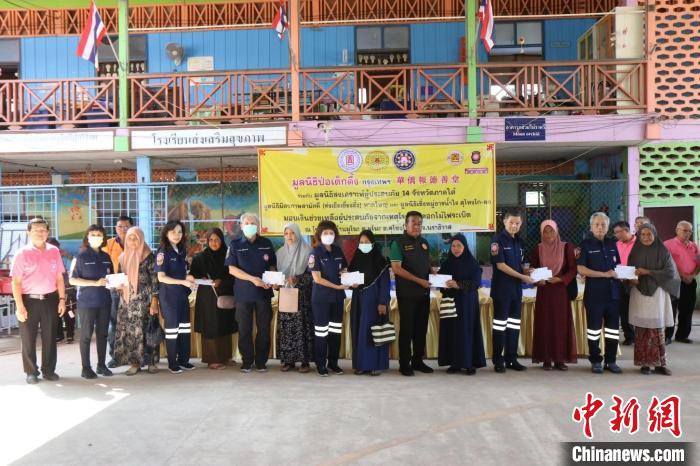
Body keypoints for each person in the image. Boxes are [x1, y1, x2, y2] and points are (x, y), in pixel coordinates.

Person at [10, 217, 66, 384]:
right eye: (36, 230)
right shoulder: (22, 254)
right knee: (28, 338)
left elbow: (59, 278)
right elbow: (16, 282)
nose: (40, 233)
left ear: (48, 232)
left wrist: (62, 299)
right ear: (29, 232)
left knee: (50, 337)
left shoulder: (54, 251)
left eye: (43, 230)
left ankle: (48, 370)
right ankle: (31, 371)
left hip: (50, 299)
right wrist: (20, 306)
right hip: (29, 300)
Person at [225, 212, 276, 373]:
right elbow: (232, 269)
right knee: (244, 329)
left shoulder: (266, 243)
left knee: (264, 329)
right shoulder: (234, 244)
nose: (250, 226)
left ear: (258, 226)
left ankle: (261, 361)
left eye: (253, 223)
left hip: (263, 294)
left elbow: (272, 266)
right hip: (243, 294)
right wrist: (253, 279)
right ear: (241, 226)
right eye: (246, 223)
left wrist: (274, 280)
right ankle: (247, 361)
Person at [628, 223, 679, 376]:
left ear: (655, 234)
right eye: (642, 234)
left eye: (649, 234)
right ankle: (645, 364)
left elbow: (670, 272)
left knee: (658, 328)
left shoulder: (663, 251)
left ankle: (660, 364)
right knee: (642, 329)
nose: (646, 237)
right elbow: (630, 272)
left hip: (658, 293)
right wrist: (631, 279)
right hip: (639, 293)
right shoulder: (634, 251)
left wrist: (648, 272)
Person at [577, 212, 622, 374]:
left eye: (603, 224)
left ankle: (611, 361)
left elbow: (618, 266)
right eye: (596, 224)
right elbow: (581, 269)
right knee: (594, 330)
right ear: (591, 227)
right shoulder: (585, 245)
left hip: (613, 295)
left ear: (608, 227)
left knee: (612, 330)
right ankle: (595, 360)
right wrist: (604, 274)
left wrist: (624, 274)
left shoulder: (612, 244)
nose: (600, 227)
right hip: (594, 295)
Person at [390, 211, 433, 377]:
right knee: (407, 329)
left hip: (424, 293)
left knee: (421, 329)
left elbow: (426, 265)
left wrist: (433, 273)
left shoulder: (424, 243)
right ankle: (404, 363)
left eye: (419, 223)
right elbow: (396, 269)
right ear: (405, 225)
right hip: (407, 294)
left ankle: (417, 361)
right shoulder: (398, 243)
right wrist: (419, 281)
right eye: (413, 223)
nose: (417, 226)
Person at [530, 220, 577, 371]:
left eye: (551, 231)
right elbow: (533, 267)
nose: (548, 234)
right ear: (541, 233)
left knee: (560, 324)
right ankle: (546, 358)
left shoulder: (566, 247)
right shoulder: (538, 248)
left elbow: (573, 270)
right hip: (544, 291)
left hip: (560, 291)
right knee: (545, 324)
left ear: (557, 231)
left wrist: (561, 279)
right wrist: (535, 277)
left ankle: (559, 359)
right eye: (545, 231)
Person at [490, 210, 533, 373]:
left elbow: (521, 265)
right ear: (504, 222)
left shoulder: (520, 242)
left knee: (514, 325)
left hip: (516, 290)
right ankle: (498, 360)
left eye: (517, 223)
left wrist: (527, 272)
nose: (514, 226)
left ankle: (511, 359)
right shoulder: (497, 241)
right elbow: (500, 265)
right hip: (502, 290)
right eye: (511, 222)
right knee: (500, 325)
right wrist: (522, 276)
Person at [113, 227, 160, 376]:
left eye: (136, 238)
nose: (132, 241)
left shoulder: (149, 256)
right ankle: (135, 363)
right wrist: (117, 286)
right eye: (130, 238)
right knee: (131, 334)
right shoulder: (122, 257)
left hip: (145, 301)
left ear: (141, 239)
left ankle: (151, 362)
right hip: (128, 302)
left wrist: (154, 301)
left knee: (148, 331)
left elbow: (155, 280)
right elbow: (119, 277)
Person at [69, 225, 114, 379]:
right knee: (86, 335)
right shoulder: (80, 257)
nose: (96, 237)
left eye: (99, 234)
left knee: (103, 335)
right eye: (92, 234)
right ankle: (86, 368)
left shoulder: (106, 257)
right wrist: (95, 283)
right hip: (87, 302)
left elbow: (111, 277)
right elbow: (72, 279)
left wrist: (117, 284)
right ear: (87, 237)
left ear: (103, 238)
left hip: (105, 301)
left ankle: (101, 365)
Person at [437, 234, 485, 375]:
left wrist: (458, 284)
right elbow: (440, 282)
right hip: (451, 303)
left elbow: (476, 283)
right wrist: (444, 285)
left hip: (467, 304)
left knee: (467, 331)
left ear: (465, 247)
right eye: (453, 246)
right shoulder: (447, 263)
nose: (456, 249)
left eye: (459, 246)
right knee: (452, 332)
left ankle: (469, 364)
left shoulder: (472, 263)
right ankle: (455, 363)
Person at [191, 228, 237, 369]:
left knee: (225, 324)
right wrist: (202, 278)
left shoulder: (228, 257)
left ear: (222, 240)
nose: (214, 243)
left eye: (217, 239)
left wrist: (221, 281)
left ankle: (225, 356)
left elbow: (233, 275)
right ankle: (212, 359)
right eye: (211, 240)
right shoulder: (200, 258)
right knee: (210, 326)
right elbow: (193, 276)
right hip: (207, 297)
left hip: (224, 294)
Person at [155, 220, 196, 374]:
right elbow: (161, 277)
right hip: (169, 297)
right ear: (166, 233)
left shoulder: (181, 250)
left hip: (182, 295)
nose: (177, 235)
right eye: (173, 232)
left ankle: (184, 360)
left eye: (180, 232)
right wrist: (182, 281)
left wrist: (187, 277)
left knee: (184, 329)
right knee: (172, 330)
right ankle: (172, 363)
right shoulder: (163, 252)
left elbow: (180, 272)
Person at [348, 229, 390, 376]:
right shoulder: (356, 260)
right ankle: (361, 365)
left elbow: (385, 284)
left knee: (373, 333)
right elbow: (349, 280)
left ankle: (375, 365)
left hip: (374, 302)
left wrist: (383, 302)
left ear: (372, 243)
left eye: (367, 242)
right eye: (361, 242)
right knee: (359, 331)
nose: (364, 244)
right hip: (358, 301)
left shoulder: (381, 262)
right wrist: (349, 283)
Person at [310, 220, 349, 376]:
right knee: (321, 332)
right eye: (325, 233)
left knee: (335, 331)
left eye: (331, 233)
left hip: (337, 299)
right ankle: (321, 364)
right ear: (319, 235)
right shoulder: (315, 253)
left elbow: (344, 269)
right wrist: (337, 287)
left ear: (335, 235)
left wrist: (347, 277)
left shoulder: (338, 251)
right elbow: (317, 279)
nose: (328, 235)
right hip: (321, 299)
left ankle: (333, 363)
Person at [275, 223, 314, 373]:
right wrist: (276, 282)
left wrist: (298, 279)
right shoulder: (279, 253)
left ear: (297, 234)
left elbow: (313, 275)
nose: (289, 236)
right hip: (286, 294)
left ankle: (304, 362)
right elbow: (276, 274)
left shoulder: (308, 251)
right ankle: (288, 361)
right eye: (286, 233)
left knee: (303, 327)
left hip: (302, 296)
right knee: (286, 328)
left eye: (292, 233)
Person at [664, 221, 700, 344]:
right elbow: (668, 263)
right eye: (685, 230)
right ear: (677, 230)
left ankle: (682, 335)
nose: (688, 233)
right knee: (671, 309)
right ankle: (667, 336)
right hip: (673, 281)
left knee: (687, 309)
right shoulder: (668, 244)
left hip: (690, 281)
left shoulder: (694, 246)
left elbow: (698, 263)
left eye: (690, 231)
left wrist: (692, 275)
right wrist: (682, 275)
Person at [104, 215, 133, 368]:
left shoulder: (136, 243)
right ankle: (115, 356)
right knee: (114, 323)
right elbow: (104, 266)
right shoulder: (108, 244)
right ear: (115, 228)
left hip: (134, 289)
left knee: (132, 323)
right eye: (120, 226)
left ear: (132, 228)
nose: (123, 229)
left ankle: (133, 355)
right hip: (115, 289)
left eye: (126, 226)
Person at [613, 220, 636, 345]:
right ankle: (629, 336)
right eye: (615, 232)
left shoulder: (638, 244)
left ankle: (641, 336)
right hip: (620, 281)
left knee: (637, 309)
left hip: (636, 281)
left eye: (618, 232)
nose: (616, 235)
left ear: (626, 230)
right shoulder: (616, 245)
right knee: (624, 309)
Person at [48, 238, 75, 344]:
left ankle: (70, 335)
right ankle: (59, 335)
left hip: (68, 289)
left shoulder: (66, 256)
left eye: (56, 248)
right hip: (52, 290)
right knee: (55, 314)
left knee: (69, 313)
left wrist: (67, 255)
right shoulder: (46, 258)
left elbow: (76, 264)